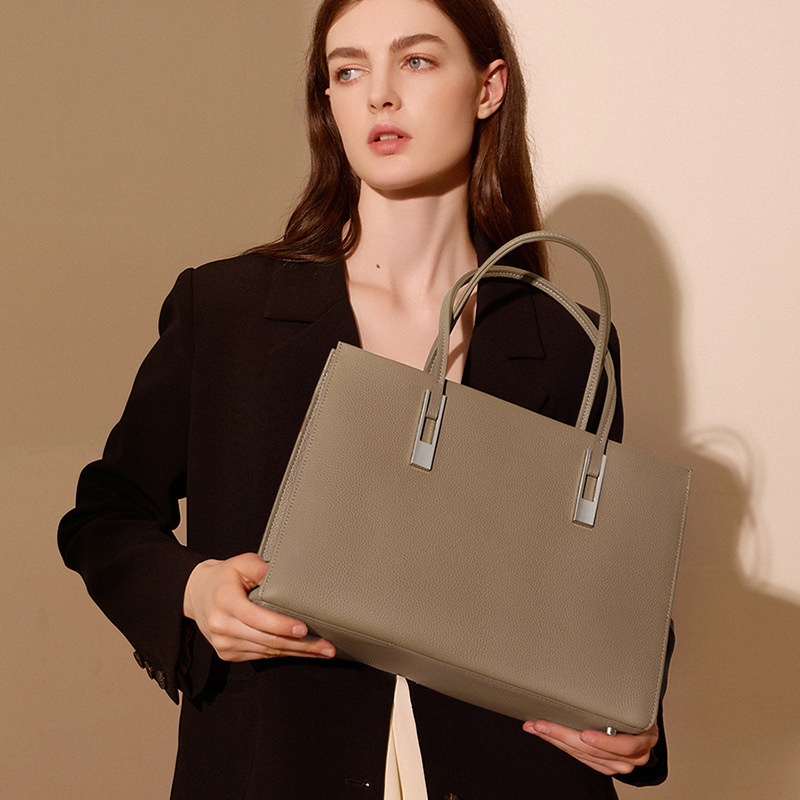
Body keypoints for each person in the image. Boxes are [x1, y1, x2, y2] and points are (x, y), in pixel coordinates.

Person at [59, 0, 673, 797]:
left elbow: (598, 582)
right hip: (275, 767)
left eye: (415, 60)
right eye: (348, 70)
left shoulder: (568, 339)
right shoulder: (227, 310)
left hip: (514, 771)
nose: (379, 93)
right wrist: (192, 587)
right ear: (329, 101)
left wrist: (634, 722)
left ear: (488, 87)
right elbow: (104, 516)